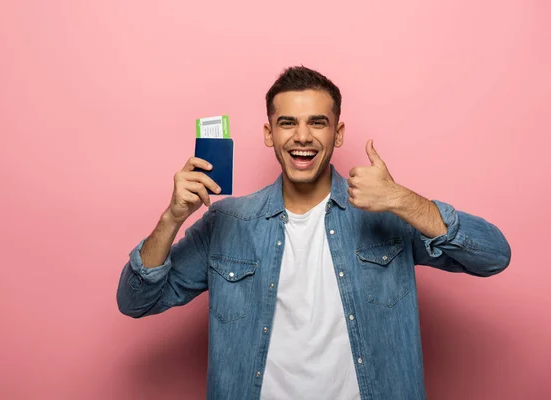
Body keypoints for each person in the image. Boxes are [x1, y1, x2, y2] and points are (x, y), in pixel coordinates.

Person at [116, 66, 511, 400]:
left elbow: (494, 256)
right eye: (287, 122)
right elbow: (135, 301)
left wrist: (401, 199)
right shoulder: (227, 222)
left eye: (317, 123)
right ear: (270, 133)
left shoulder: (385, 212)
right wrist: (172, 216)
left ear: (337, 134)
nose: (302, 137)